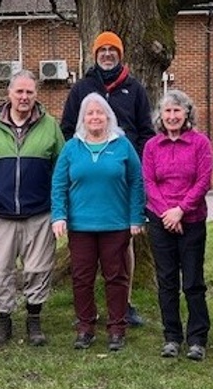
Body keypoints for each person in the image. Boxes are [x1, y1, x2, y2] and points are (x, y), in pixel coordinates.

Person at [60, 30, 155, 327]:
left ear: (120, 54)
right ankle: (86, 312)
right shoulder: (82, 89)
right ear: (95, 54)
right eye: (102, 50)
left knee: (122, 245)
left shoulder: (135, 89)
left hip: (122, 176)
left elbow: (146, 133)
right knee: (84, 255)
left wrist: (131, 163)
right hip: (88, 176)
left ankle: (123, 306)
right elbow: (67, 128)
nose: (107, 54)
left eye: (113, 50)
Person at [0, 70, 65, 348]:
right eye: (19, 92)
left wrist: (57, 209)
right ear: (9, 94)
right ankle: (4, 319)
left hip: (38, 213)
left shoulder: (50, 126)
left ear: (36, 95)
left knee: (38, 269)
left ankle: (34, 319)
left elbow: (60, 170)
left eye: (29, 92)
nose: (24, 97)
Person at [51, 92, 145, 351]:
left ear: (108, 117)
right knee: (82, 278)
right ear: (83, 118)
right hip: (81, 226)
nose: (95, 117)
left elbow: (137, 182)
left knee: (116, 277)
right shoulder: (72, 147)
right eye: (89, 113)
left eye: (99, 112)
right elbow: (59, 184)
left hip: (115, 225)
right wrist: (59, 215)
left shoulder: (122, 145)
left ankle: (117, 328)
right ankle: (85, 326)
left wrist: (136, 217)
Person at [141, 90, 212, 360]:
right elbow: (149, 183)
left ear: (187, 114)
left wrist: (180, 211)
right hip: (160, 222)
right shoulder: (151, 146)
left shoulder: (200, 143)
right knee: (167, 281)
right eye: (167, 111)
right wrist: (167, 215)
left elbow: (203, 181)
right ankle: (171, 336)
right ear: (160, 115)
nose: (172, 116)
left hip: (191, 220)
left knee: (193, 281)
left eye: (177, 111)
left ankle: (197, 338)